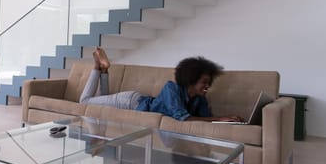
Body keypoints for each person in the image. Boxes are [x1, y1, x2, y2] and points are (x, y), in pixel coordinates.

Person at [80, 47, 242, 122]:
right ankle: (97, 67)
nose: (207, 86)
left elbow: (205, 120)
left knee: (100, 102)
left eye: (209, 83)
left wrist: (229, 120)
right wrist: (220, 118)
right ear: (191, 80)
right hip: (130, 103)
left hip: (135, 102)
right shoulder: (171, 88)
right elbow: (182, 117)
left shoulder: (200, 99)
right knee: (85, 102)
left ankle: (104, 70)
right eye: (204, 82)